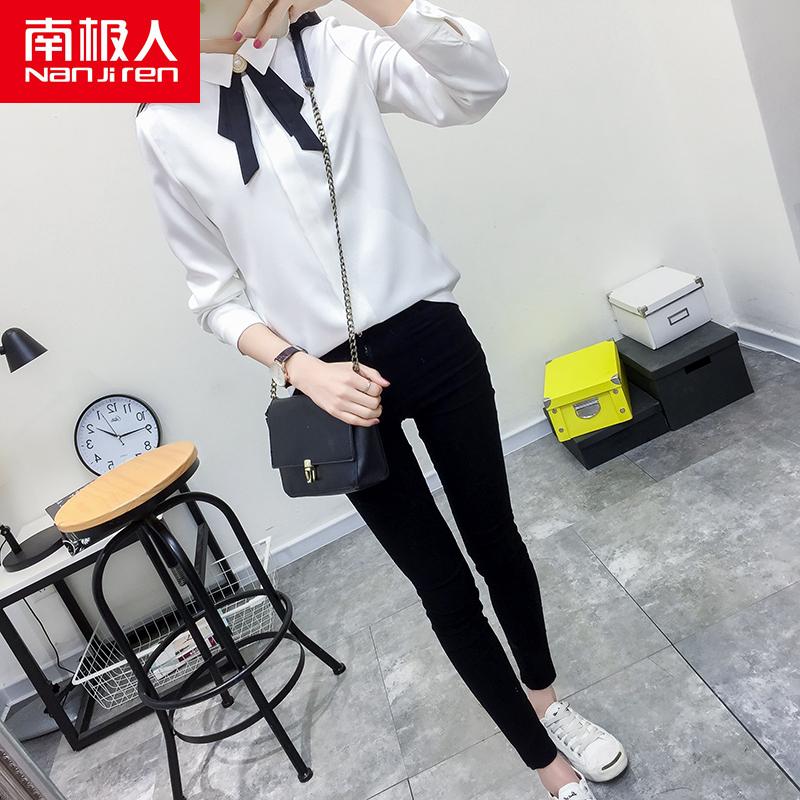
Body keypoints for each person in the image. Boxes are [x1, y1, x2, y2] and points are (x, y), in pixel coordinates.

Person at [135, 1, 628, 797]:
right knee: (442, 583)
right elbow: (213, 296)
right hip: (328, 387)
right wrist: (299, 366)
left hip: (430, 338)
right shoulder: (163, 122)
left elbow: (476, 86)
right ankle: (545, 762)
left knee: (496, 540)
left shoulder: (336, 47)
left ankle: (548, 701)